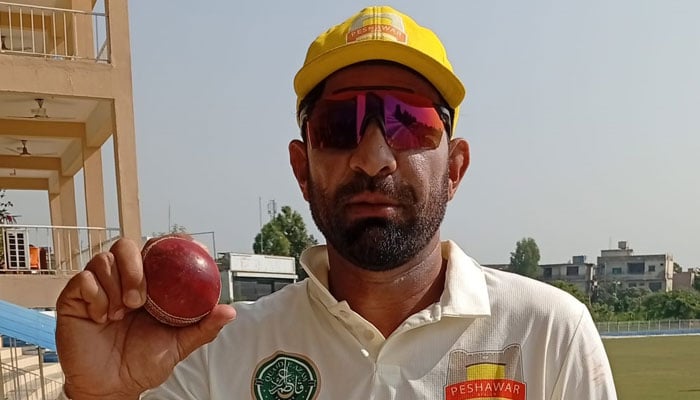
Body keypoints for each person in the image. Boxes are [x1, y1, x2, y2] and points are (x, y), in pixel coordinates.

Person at [55, 6, 617, 400]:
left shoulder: (547, 334)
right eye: (339, 124)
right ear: (302, 169)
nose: (373, 157)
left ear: (455, 168)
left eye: (409, 122)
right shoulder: (217, 352)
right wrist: (98, 394)